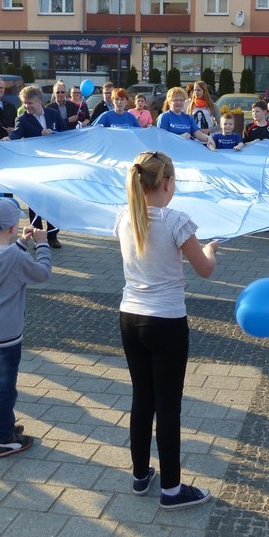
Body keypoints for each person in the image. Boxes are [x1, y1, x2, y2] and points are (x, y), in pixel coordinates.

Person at [116, 150, 220, 510]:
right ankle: (172, 490)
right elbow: (205, 269)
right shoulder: (176, 220)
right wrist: (210, 250)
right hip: (166, 322)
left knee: (142, 399)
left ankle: (140, 475)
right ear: (166, 182)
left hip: (130, 317)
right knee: (168, 406)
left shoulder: (124, 217)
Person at [0, 197, 52, 457]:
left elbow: (0, 259)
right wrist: (42, 244)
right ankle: (3, 439)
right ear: (13, 227)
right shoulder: (15, 257)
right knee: (5, 388)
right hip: (6, 334)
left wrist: (21, 243)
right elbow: (42, 273)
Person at [8, 85, 66, 248]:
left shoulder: (53, 114)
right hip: (33, 167)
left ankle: (52, 235)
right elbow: (16, 134)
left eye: (30, 103)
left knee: (54, 201)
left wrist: (53, 134)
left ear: (39, 101)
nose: (27, 106)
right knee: (35, 202)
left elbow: (66, 132)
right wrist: (6, 140)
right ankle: (38, 236)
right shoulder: (23, 119)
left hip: (54, 165)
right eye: (24, 103)